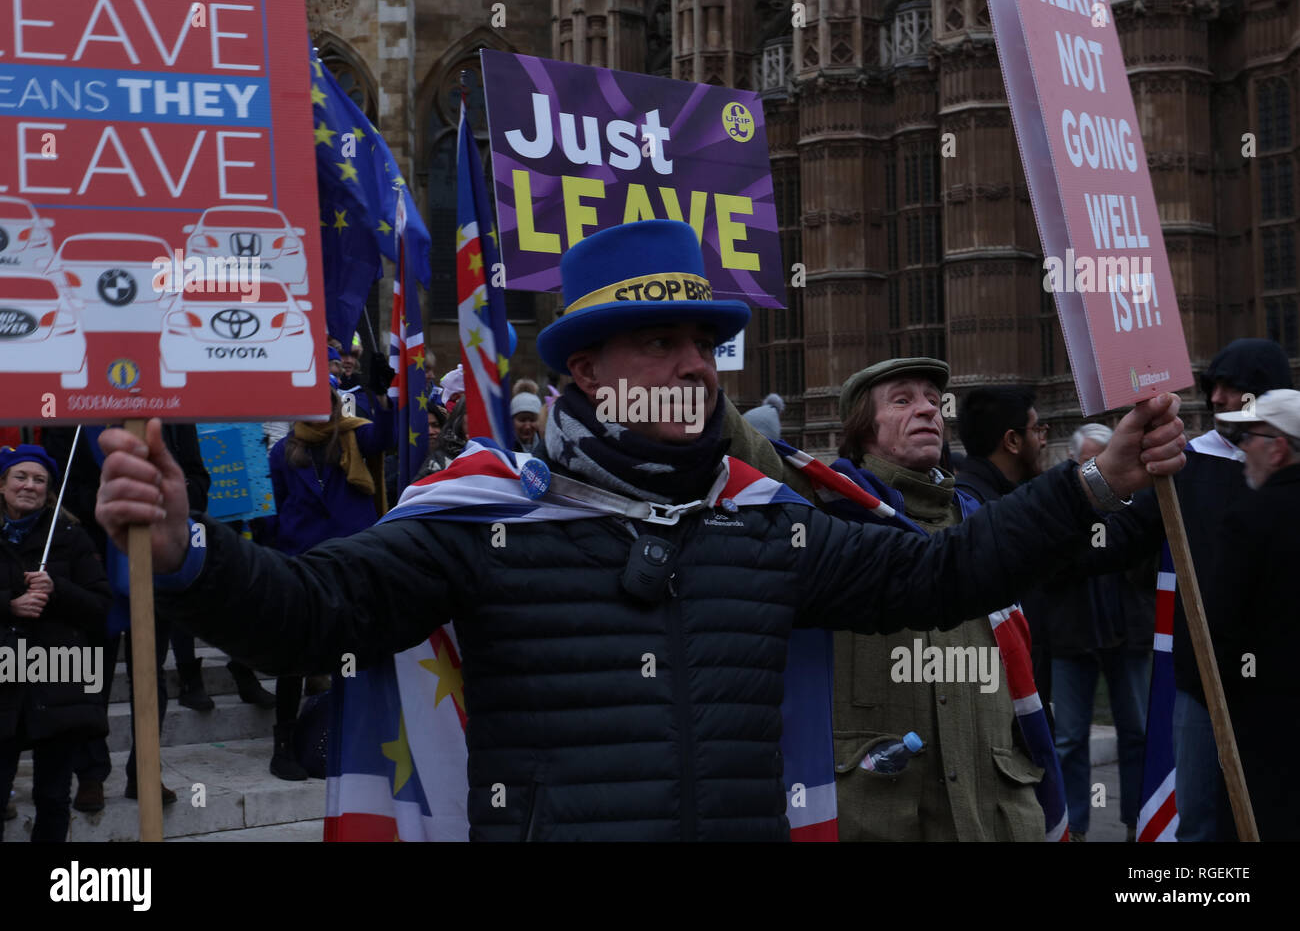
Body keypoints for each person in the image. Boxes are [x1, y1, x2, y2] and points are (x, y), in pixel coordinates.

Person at [94, 219, 1187, 841]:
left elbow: (947, 571)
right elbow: (314, 615)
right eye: (659, 343)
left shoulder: (767, 526)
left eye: (704, 344)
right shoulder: (485, 519)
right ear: (584, 370)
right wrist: (190, 549)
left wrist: (1098, 485)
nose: (692, 367)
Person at [827, 360, 1048, 840]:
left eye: (933, 399)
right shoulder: (827, 520)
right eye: (903, 400)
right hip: (880, 812)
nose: (928, 409)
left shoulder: (979, 521)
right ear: (864, 429)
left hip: (990, 810)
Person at [1096, 337, 1293, 841]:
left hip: (1277, 684)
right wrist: (1067, 519)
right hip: (1203, 677)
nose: (1218, 399)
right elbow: (1119, 540)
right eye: (1214, 387)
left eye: (1235, 389)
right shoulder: (1186, 464)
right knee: (1200, 817)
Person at [42, 425, 209, 809]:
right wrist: (118, 502)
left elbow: (199, 479)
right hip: (97, 562)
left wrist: (165, 495)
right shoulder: (77, 417)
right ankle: (90, 775)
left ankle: (145, 771)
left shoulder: (174, 419)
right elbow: (62, 485)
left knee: (151, 673)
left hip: (158, 564)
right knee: (93, 673)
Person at [264, 387, 393, 780]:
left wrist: (388, 397)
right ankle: (283, 745)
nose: (320, 409)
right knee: (294, 655)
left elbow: (387, 435)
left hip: (352, 564)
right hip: (301, 566)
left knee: (351, 653)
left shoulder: (355, 436)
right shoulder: (282, 452)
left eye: (327, 402)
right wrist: (277, 556)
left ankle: (351, 736)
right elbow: (274, 509)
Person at [0, 446, 112, 841]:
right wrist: (8, 604)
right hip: (5, 680)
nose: (28, 486)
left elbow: (100, 605)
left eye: (39, 480)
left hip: (57, 680)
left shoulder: (69, 536)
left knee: (52, 797)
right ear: (2, 484)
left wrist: (57, 589)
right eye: (20, 476)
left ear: (49, 491)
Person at [1050, 424, 1154, 842]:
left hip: (1127, 635)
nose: (1101, 471)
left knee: (1137, 733)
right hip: (1072, 637)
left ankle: (1135, 820)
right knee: (1070, 739)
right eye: (1091, 462)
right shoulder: (1056, 505)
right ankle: (1075, 826)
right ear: (1075, 463)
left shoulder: (1136, 501)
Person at [1205, 389, 1300, 840]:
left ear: (1277, 447)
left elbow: (1220, 627)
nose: (1241, 448)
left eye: (1249, 436)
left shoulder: (1249, 518)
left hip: (1264, 720)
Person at [955, 387, 1054, 710]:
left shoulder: (1005, 500)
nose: (1043, 441)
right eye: (1037, 430)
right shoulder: (971, 509)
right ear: (1012, 441)